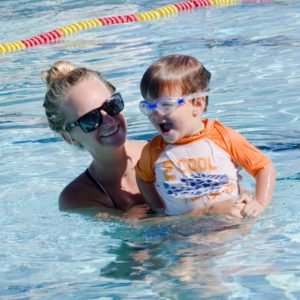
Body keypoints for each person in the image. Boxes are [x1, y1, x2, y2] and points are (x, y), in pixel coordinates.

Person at [135, 54, 276, 218]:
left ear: (197, 104)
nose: (156, 113)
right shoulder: (153, 150)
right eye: (149, 106)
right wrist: (159, 209)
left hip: (229, 222)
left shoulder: (224, 138)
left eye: (166, 104)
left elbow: (264, 167)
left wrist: (260, 202)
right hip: (184, 229)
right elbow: (143, 178)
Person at [42, 60, 148, 217]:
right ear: (69, 137)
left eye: (111, 105)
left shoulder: (164, 152)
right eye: (90, 119)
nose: (109, 120)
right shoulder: (78, 198)